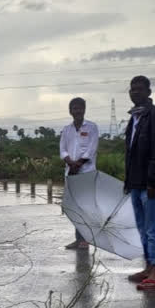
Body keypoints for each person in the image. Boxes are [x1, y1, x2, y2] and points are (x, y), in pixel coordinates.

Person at [124, 76, 155, 290]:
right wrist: (128, 181)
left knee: (153, 227)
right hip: (136, 182)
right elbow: (131, 153)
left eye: (139, 89)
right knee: (142, 227)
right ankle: (148, 266)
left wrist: (153, 182)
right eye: (132, 89)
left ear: (148, 92)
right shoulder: (135, 118)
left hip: (151, 184)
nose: (135, 92)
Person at [60, 97, 100, 250]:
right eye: (74, 108)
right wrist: (70, 162)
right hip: (71, 172)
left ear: (84, 109)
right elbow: (62, 149)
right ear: (70, 111)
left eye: (80, 108)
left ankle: (85, 239)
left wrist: (80, 163)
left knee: (85, 206)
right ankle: (78, 239)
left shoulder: (92, 127)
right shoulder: (67, 129)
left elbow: (92, 148)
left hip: (86, 172)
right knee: (74, 208)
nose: (77, 111)